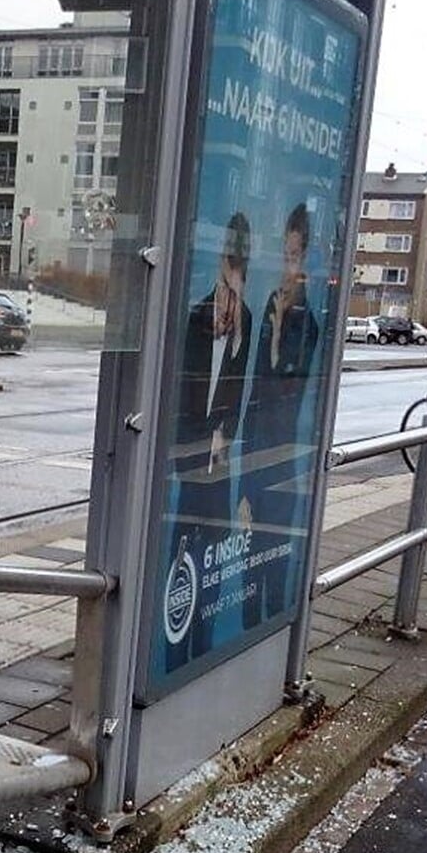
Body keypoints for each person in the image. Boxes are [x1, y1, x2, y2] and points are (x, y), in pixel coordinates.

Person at [167, 211, 252, 668]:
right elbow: (184, 388)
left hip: (221, 458)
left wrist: (226, 432)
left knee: (216, 545)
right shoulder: (199, 315)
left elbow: (236, 390)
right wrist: (197, 440)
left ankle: (203, 638)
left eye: (240, 265)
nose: (234, 273)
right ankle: (176, 642)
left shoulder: (248, 319)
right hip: (192, 451)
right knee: (184, 542)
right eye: (228, 261)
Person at [241, 203, 321, 628]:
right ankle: (253, 623)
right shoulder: (275, 301)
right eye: (284, 256)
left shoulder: (306, 314)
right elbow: (257, 383)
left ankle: (272, 624)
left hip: (286, 451)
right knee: (252, 549)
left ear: (305, 258)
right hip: (258, 444)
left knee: (274, 548)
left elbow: (290, 382)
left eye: (294, 257)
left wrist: (274, 338)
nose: (287, 266)